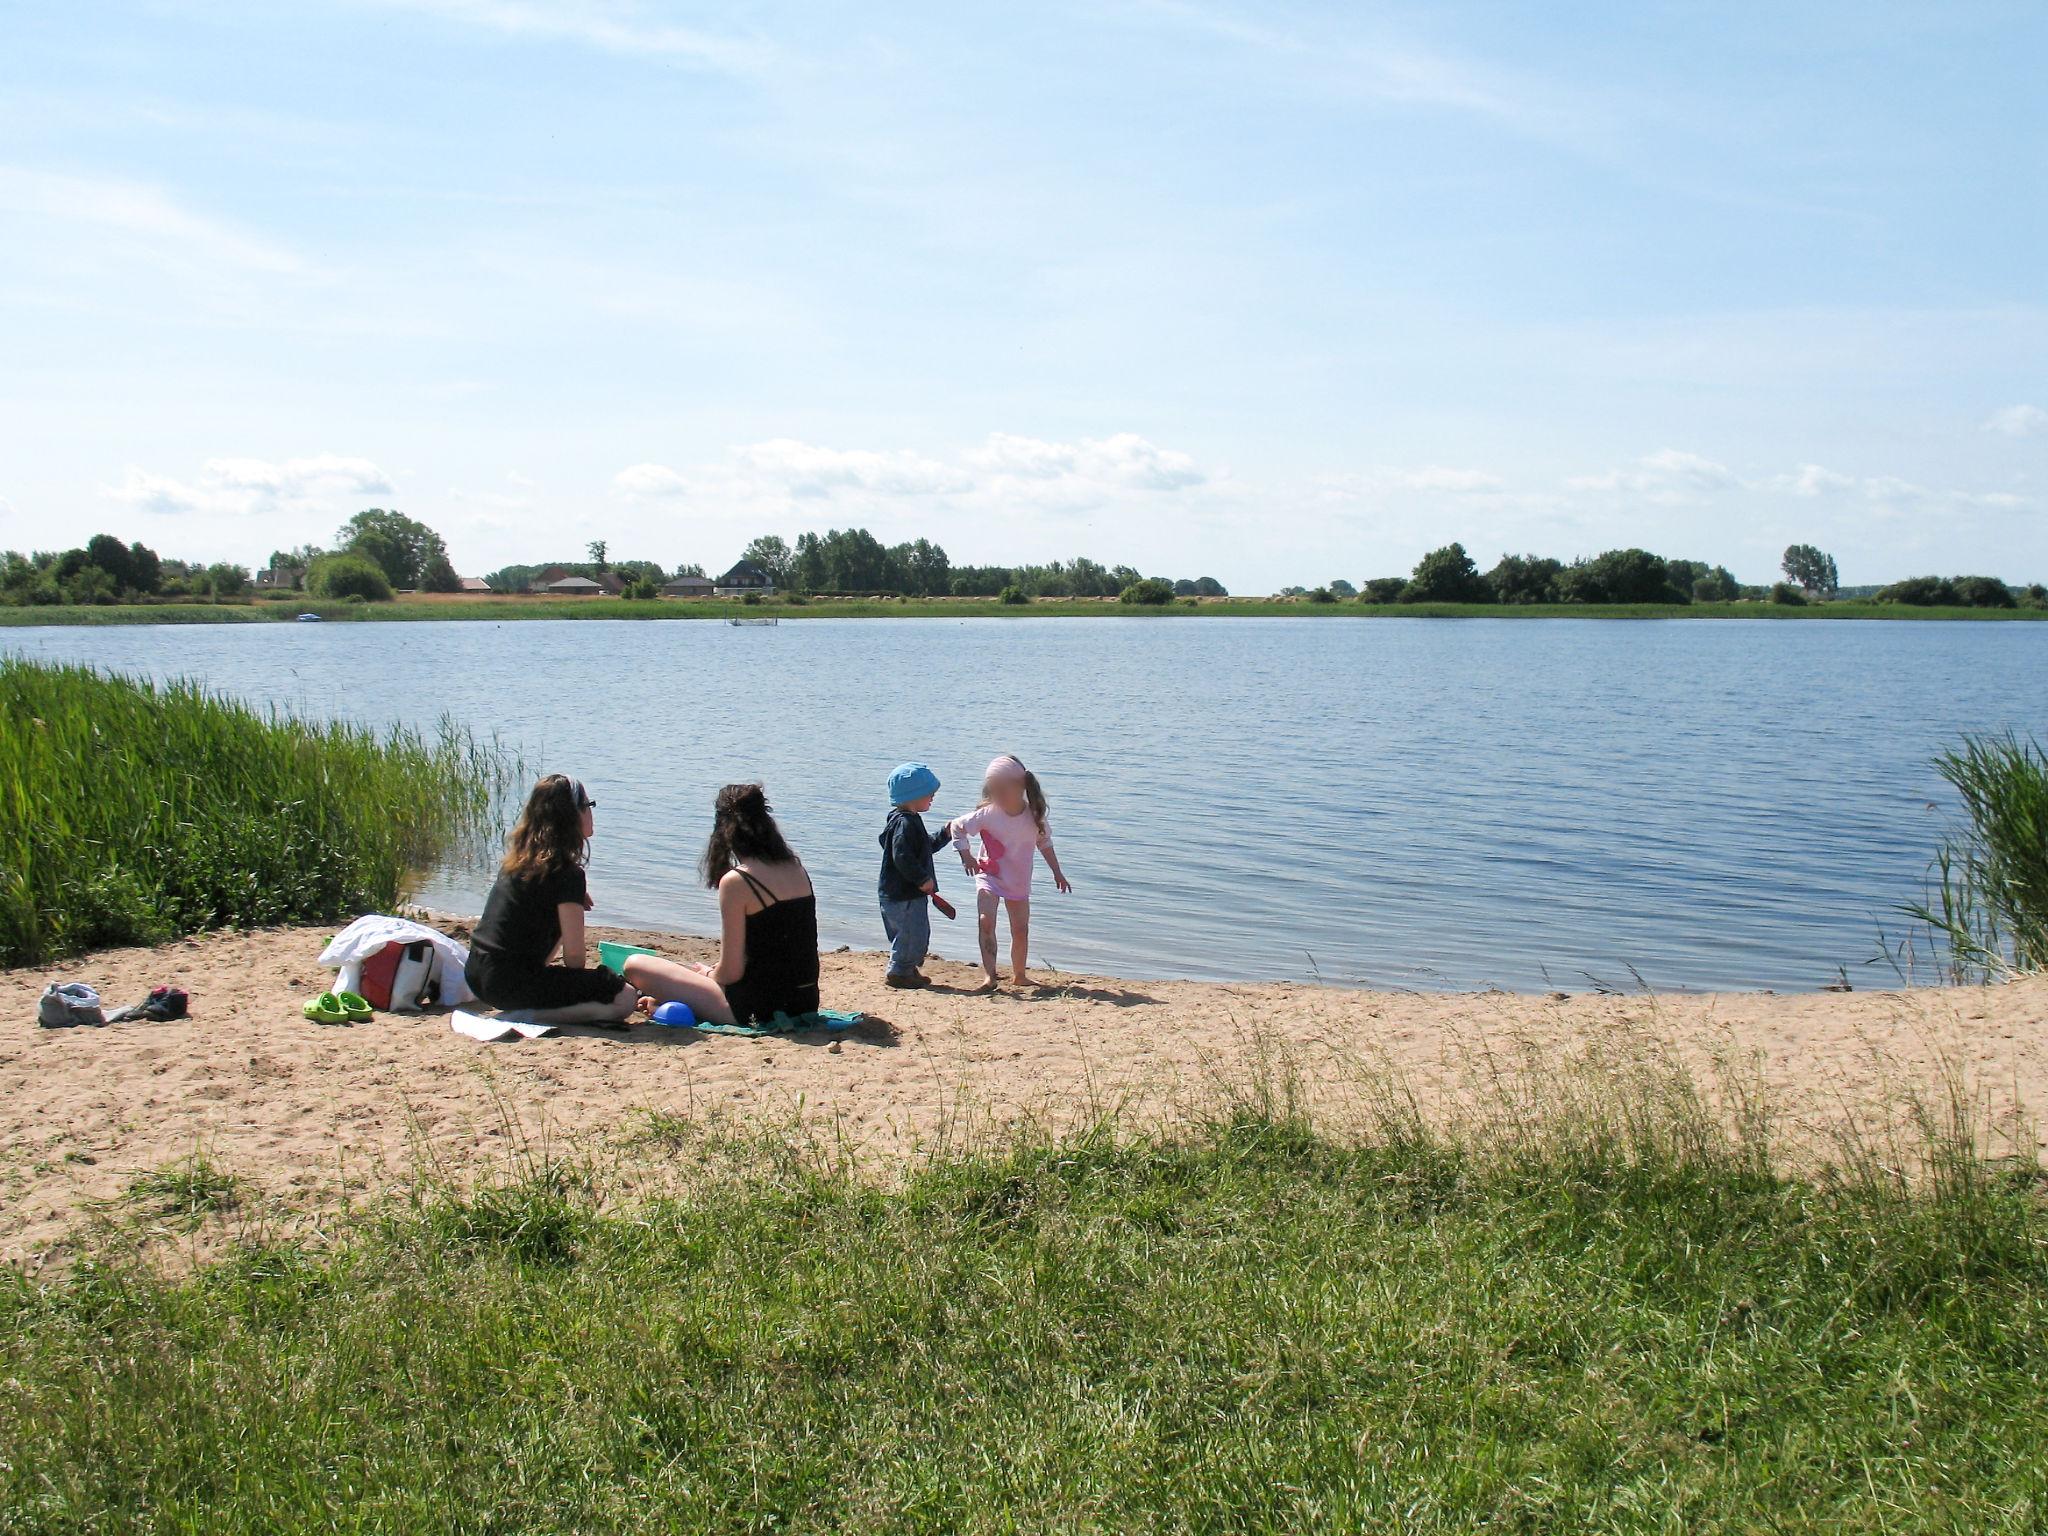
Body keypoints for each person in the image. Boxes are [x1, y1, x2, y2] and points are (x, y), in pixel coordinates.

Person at [624, 783, 821, 1025]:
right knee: (698, 974)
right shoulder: (796, 868)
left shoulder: (738, 881)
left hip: (756, 1008)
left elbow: (731, 973)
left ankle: (670, 1002)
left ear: (724, 829)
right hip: (804, 1001)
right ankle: (667, 1002)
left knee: (635, 965)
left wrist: (708, 973)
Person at [464, 774, 639, 1024]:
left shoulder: (516, 863)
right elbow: (575, 960)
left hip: (477, 974)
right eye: (588, 806)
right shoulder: (568, 875)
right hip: (507, 983)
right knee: (624, 998)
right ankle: (528, 1015)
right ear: (572, 815)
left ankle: (525, 1008)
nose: (591, 813)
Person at [949, 754, 1072, 990]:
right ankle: (990, 976)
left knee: (1020, 929)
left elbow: (1045, 844)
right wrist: (967, 856)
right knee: (986, 921)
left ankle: (1019, 975)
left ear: (1020, 786)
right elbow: (958, 826)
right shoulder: (988, 813)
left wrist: (1057, 872)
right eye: (992, 790)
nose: (997, 796)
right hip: (989, 875)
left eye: (1002, 790)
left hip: (1018, 879)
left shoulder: (1034, 818)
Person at [877, 761, 958, 989]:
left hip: (895, 893)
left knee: (907, 934)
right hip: (905, 895)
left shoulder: (901, 819)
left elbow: (922, 847)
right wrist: (922, 879)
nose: (933, 796)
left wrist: (944, 834)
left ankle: (907, 969)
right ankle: (899, 972)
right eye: (930, 793)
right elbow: (901, 855)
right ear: (914, 795)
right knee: (913, 934)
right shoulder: (905, 823)